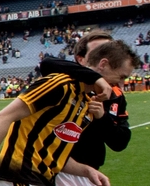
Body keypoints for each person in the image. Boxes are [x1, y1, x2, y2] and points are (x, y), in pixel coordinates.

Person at [0, 40, 140, 186]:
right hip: (19, 174)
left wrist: (87, 171)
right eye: (121, 77)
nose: (121, 84)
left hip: (42, 179)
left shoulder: (87, 102)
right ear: (103, 64)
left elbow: (56, 153)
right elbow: (3, 117)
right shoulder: (59, 84)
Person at [39, 31, 134, 186]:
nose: (108, 56)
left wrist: (102, 118)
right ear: (80, 59)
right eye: (100, 51)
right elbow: (47, 63)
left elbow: (120, 142)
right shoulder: (66, 83)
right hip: (58, 169)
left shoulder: (116, 94)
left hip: (91, 171)